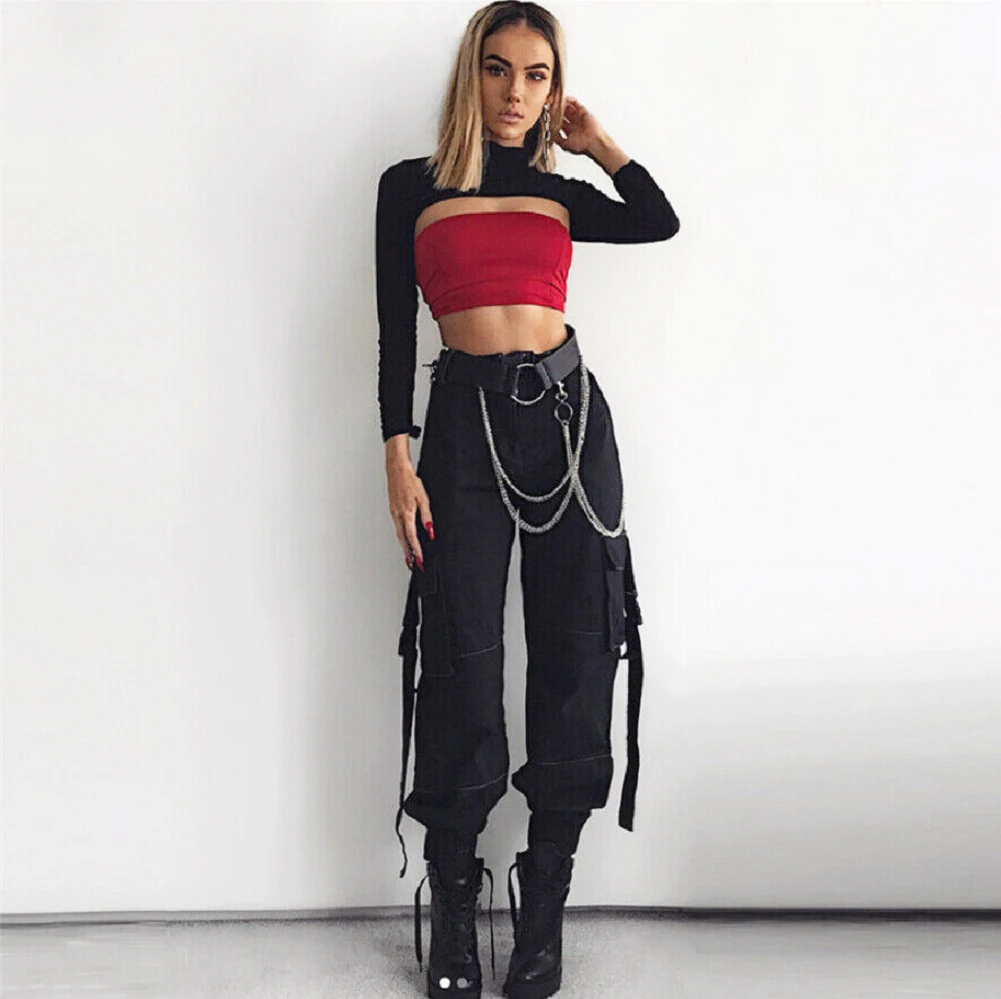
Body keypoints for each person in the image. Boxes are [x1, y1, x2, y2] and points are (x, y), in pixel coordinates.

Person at [375, 3, 679, 996]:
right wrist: (396, 456)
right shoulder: (409, 188)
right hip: (460, 427)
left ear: (554, 89)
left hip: (568, 420)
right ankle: (454, 905)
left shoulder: (557, 191)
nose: (516, 92)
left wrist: (597, 144)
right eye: (499, 69)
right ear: (471, 74)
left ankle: (542, 902)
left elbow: (656, 219)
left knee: (578, 645)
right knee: (460, 655)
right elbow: (393, 331)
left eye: (538, 75)